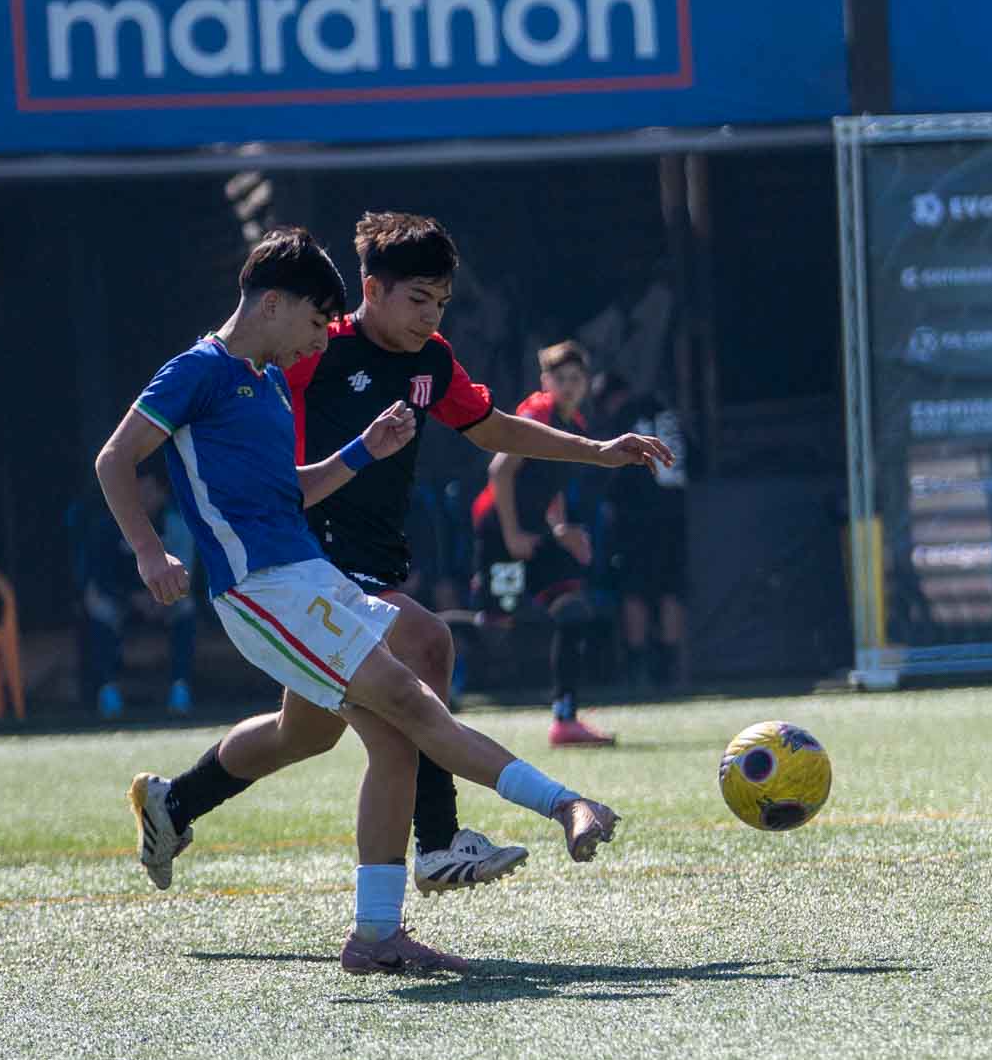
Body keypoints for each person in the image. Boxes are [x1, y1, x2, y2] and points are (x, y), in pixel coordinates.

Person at [95, 226, 627, 978]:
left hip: (311, 580)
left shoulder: (268, 382)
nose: (321, 339)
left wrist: (363, 451)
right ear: (273, 304)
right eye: (316, 321)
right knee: (411, 701)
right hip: (263, 588)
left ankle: (371, 929)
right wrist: (150, 551)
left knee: (379, 737)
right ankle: (555, 806)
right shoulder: (198, 370)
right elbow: (114, 458)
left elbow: (291, 493)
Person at [472, 339, 616, 745]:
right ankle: (412, 666)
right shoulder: (536, 413)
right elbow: (500, 472)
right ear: (545, 381)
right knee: (496, 629)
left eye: (576, 378)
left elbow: (550, 487)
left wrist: (561, 530)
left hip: (535, 531)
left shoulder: (577, 426)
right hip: (498, 531)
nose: (568, 386)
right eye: (560, 378)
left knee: (573, 609)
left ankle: (565, 720)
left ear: (586, 383)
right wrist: (512, 535)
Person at [592, 372, 691, 694]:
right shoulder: (668, 415)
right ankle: (670, 669)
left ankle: (638, 668)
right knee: (671, 588)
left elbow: (611, 470)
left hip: (634, 517)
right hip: (674, 514)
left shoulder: (623, 419)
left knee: (633, 589)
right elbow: (694, 457)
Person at [77, 466, 199, 717]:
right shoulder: (108, 525)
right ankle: (107, 690)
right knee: (96, 604)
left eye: (148, 489)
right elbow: (100, 575)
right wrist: (131, 598)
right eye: (137, 489)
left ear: (162, 493)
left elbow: (185, 574)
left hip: (165, 599)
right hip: (121, 600)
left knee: (186, 608)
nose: (142, 496)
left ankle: (180, 688)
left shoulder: (177, 526)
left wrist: (161, 597)